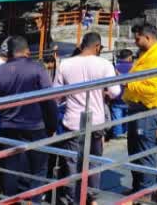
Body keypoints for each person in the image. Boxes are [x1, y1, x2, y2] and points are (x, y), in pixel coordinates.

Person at [0, 36, 57, 202]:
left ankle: (13, 200)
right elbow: (49, 100)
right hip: (36, 127)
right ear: (27, 52)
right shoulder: (37, 69)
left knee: (12, 169)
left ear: (9, 52)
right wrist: (52, 126)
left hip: (8, 128)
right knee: (38, 169)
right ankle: (33, 201)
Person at [55, 32, 120, 204]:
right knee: (93, 162)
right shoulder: (104, 64)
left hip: (72, 121)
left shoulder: (65, 64)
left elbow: (56, 95)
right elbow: (115, 92)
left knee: (71, 163)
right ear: (97, 47)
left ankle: (72, 198)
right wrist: (103, 91)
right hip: (96, 121)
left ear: (82, 44)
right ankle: (92, 198)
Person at [122, 23, 157, 195]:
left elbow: (153, 88)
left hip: (147, 108)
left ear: (148, 37)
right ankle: (139, 187)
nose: (135, 42)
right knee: (134, 148)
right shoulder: (147, 53)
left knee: (145, 149)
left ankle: (147, 191)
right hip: (137, 107)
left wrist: (128, 82)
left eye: (137, 38)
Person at [108, 49, 134, 139]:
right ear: (129, 57)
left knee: (117, 121)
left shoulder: (114, 67)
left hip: (116, 99)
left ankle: (117, 138)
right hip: (130, 99)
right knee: (129, 120)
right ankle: (127, 136)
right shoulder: (134, 67)